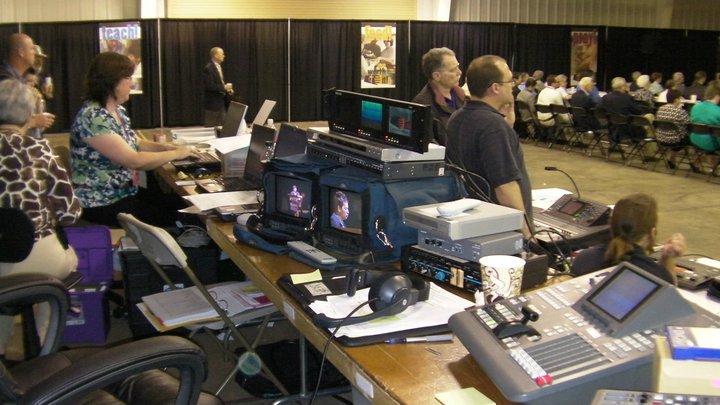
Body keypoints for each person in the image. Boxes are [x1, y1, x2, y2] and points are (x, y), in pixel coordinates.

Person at [0, 80, 82, 358]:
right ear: (27, 114)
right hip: (38, 259)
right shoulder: (40, 149)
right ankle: (44, 351)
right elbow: (71, 214)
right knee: (61, 268)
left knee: (6, 287)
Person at [70, 52, 198, 228]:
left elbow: (135, 142)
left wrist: (166, 147)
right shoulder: (93, 117)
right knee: (181, 218)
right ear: (112, 82)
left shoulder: (116, 111)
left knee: (183, 205)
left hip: (122, 192)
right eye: (128, 78)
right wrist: (176, 153)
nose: (132, 83)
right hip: (101, 201)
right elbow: (134, 160)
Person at [446, 55, 533, 239]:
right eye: (510, 80)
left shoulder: (458, 117)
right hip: (500, 228)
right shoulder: (492, 126)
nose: (514, 85)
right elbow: (505, 186)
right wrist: (526, 234)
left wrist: (507, 127)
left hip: (475, 219)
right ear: (495, 87)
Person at [570, 193, 686, 285]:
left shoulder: (583, 258)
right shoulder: (656, 276)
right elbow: (669, 295)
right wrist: (669, 259)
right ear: (652, 233)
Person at [0, 33, 55, 134]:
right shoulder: (4, 82)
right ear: (21, 52)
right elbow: (6, 119)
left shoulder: (19, 79)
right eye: (31, 48)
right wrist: (32, 122)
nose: (35, 53)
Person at [412, 47, 466, 146]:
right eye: (453, 70)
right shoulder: (423, 105)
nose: (459, 72)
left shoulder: (464, 96)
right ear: (437, 76)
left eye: (458, 67)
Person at [596, 77, 650, 142]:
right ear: (622, 87)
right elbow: (638, 111)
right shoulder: (627, 98)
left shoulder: (606, 97)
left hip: (609, 127)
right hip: (627, 128)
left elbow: (598, 109)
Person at [654, 89, 689, 169]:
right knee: (688, 138)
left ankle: (672, 159)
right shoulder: (679, 111)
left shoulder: (660, 109)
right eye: (680, 99)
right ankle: (693, 163)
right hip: (674, 140)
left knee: (678, 134)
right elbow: (688, 123)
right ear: (676, 100)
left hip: (661, 138)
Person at [203, 47, 233, 127]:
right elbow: (210, 86)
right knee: (210, 127)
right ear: (216, 55)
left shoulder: (218, 66)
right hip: (213, 104)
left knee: (223, 126)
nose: (224, 56)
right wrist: (224, 87)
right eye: (222, 54)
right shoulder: (208, 68)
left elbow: (219, 83)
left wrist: (227, 89)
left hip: (220, 102)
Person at [689, 80, 720, 153]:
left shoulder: (695, 106)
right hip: (710, 144)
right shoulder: (718, 111)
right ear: (717, 96)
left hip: (694, 140)